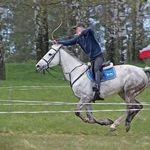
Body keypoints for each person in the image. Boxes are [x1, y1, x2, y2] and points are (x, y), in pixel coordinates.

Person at [53, 23, 104, 100]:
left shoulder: (89, 33)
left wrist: (82, 33)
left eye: (76, 29)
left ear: (81, 28)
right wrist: (58, 42)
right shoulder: (78, 39)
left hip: (98, 57)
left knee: (96, 69)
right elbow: (69, 42)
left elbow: (90, 29)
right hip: (92, 59)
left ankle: (97, 87)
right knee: (90, 72)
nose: (75, 31)